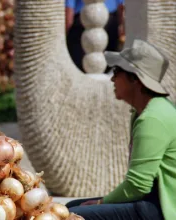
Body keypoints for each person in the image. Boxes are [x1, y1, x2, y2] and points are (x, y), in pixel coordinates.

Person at [66, 39, 176, 220]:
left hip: (163, 209)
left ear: (135, 79)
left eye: (117, 72)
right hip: (152, 201)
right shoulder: (147, 111)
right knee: (72, 206)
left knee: (73, 214)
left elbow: (138, 186)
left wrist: (102, 202)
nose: (112, 78)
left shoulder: (152, 118)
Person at [65, 0, 125, 72]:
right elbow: (121, 6)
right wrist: (122, 25)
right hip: (109, 21)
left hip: (83, 23)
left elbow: (69, 11)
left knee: (81, 67)